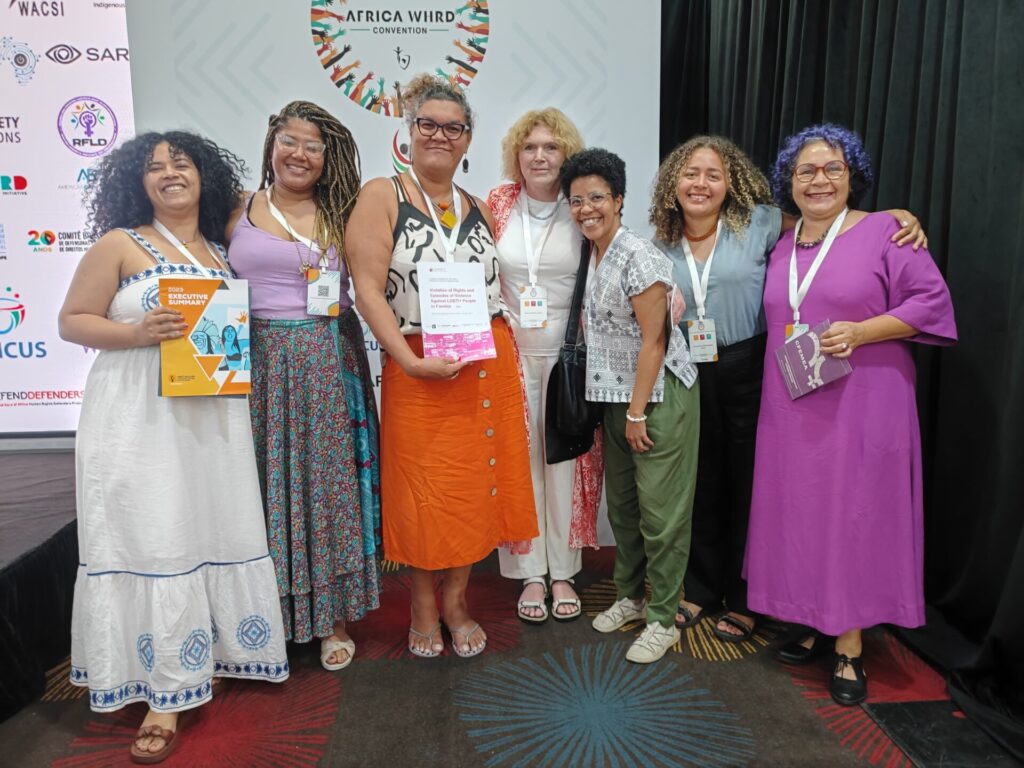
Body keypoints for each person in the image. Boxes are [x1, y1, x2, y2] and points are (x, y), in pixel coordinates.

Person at [59, 132, 288, 764]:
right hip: (138, 419)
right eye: (154, 167)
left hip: (210, 420)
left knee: (206, 529)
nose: (168, 173)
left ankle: (206, 650)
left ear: (203, 174)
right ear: (137, 182)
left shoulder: (221, 250)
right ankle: (164, 692)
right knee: (155, 534)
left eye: (180, 162)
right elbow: (72, 319)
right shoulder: (120, 245)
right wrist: (136, 333)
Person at [649, 136, 927, 644]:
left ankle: (745, 597)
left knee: (749, 482)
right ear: (673, 182)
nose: (701, 183)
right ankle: (702, 586)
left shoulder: (758, 223)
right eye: (690, 173)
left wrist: (892, 216)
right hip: (689, 363)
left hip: (752, 362)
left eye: (713, 174)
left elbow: (828, 222)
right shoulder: (659, 238)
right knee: (701, 478)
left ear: (731, 181)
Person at [745, 123, 956, 705]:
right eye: (806, 170)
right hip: (795, 402)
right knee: (808, 513)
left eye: (832, 168)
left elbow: (931, 305)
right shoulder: (785, 243)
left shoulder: (888, 232)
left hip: (864, 402)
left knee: (855, 515)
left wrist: (862, 332)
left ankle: (850, 645)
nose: (819, 179)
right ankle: (818, 619)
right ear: (789, 181)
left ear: (851, 176)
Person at [345, 75, 538, 658]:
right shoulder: (384, 194)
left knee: (476, 489)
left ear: (466, 139)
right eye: (427, 124)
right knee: (424, 494)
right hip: (417, 368)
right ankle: (423, 605)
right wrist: (406, 360)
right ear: (408, 133)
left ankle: (458, 601)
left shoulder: (478, 206)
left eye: (452, 127)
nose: (439, 135)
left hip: (484, 366)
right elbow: (367, 291)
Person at [225, 101, 381, 672]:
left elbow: (372, 284)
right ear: (271, 146)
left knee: (327, 489)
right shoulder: (235, 207)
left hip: (326, 359)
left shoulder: (345, 210)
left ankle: (333, 616)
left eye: (313, 145)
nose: (299, 153)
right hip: (256, 362)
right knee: (264, 486)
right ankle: (268, 614)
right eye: (289, 140)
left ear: (328, 157)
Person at [561, 147, 700, 664]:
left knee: (662, 515)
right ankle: (631, 597)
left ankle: (664, 616)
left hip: (656, 397)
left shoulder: (639, 255)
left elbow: (655, 343)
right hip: (616, 399)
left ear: (619, 200)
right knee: (622, 508)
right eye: (576, 200)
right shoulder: (590, 252)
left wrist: (638, 412)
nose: (586, 208)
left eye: (597, 197)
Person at [487, 108, 602, 624]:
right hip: (509, 355)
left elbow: (618, 255)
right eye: (530, 147)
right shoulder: (497, 203)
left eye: (550, 147)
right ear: (518, 154)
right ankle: (530, 572)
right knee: (520, 463)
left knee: (565, 464)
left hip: (569, 357)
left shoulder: (582, 204)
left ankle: (563, 572)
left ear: (566, 155)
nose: (539, 156)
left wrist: (663, 292)